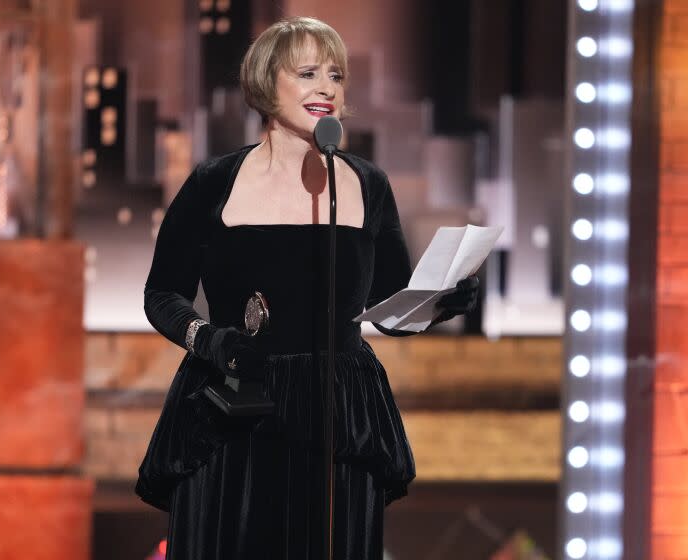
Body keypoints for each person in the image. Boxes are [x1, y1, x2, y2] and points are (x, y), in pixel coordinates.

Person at [135, 16, 479, 560]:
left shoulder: (367, 183)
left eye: (337, 76)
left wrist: (439, 305)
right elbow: (162, 295)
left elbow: (388, 308)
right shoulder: (213, 182)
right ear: (267, 83)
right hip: (234, 404)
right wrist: (208, 339)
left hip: (337, 409)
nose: (327, 88)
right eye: (309, 72)